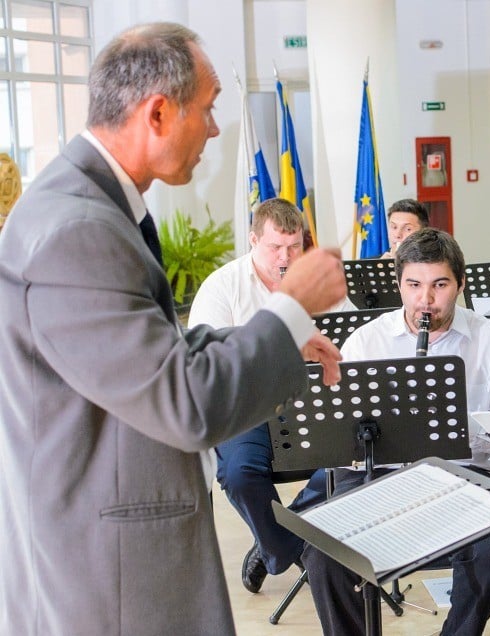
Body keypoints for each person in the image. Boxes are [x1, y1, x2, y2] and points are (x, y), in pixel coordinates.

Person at [0, 23, 347, 635]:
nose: (215, 129)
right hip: (110, 579)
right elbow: (186, 403)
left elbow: (149, 350)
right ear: (158, 113)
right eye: (208, 110)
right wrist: (291, 307)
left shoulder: (91, 205)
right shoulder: (77, 228)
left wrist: (283, 336)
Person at [300, 228, 490, 636]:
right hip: (379, 477)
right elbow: (343, 434)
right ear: (399, 284)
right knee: (322, 555)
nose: (426, 299)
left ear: (459, 283)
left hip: (463, 480)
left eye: (440, 285)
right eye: (414, 285)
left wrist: (461, 431)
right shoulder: (368, 340)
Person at [188, 197, 356, 594]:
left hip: (312, 401)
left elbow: (352, 335)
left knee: (352, 462)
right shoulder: (222, 286)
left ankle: (274, 544)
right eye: (275, 247)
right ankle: (290, 548)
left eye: (294, 246)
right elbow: (209, 364)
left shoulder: (313, 281)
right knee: (240, 474)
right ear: (252, 241)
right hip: (247, 408)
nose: (286, 256)